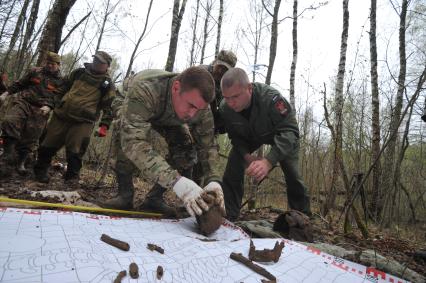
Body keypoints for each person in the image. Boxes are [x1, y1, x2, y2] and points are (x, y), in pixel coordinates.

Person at [101, 66, 225, 217]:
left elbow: (208, 145)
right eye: (191, 106)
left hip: (168, 114)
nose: (193, 114)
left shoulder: (200, 108)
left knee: (186, 149)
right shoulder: (145, 89)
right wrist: (176, 181)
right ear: (176, 88)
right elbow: (133, 142)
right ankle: (125, 195)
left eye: (198, 109)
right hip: (129, 100)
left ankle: (154, 199)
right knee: (127, 135)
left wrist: (214, 180)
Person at [219, 68, 311, 221]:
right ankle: (229, 214)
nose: (231, 102)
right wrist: (247, 157)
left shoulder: (271, 99)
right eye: (226, 98)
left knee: (292, 174)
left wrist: (268, 161)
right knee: (234, 162)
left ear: (249, 88)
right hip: (251, 136)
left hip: (280, 134)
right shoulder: (225, 108)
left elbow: (290, 131)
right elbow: (236, 138)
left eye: (235, 96)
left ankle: (302, 219)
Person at [33, 51, 116, 185]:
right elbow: (62, 88)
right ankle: (40, 172)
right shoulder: (78, 73)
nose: (96, 63)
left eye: (100, 62)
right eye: (95, 60)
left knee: (75, 150)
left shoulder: (107, 84)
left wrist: (104, 126)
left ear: (107, 66)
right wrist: (50, 104)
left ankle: (71, 178)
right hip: (61, 115)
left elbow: (108, 106)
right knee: (47, 144)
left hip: (83, 122)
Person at [0, 52, 63, 176]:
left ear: (58, 65)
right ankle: (8, 155)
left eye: (53, 64)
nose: (49, 66)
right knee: (10, 121)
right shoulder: (35, 71)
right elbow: (20, 84)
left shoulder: (61, 81)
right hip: (24, 102)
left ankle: (20, 163)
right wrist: (6, 93)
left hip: (41, 109)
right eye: (48, 63)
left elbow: (59, 97)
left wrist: (50, 106)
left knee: (31, 137)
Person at [201, 50, 237, 134]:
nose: (220, 71)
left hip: (208, 124)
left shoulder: (227, 85)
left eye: (225, 69)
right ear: (215, 62)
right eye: (219, 66)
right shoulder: (201, 73)